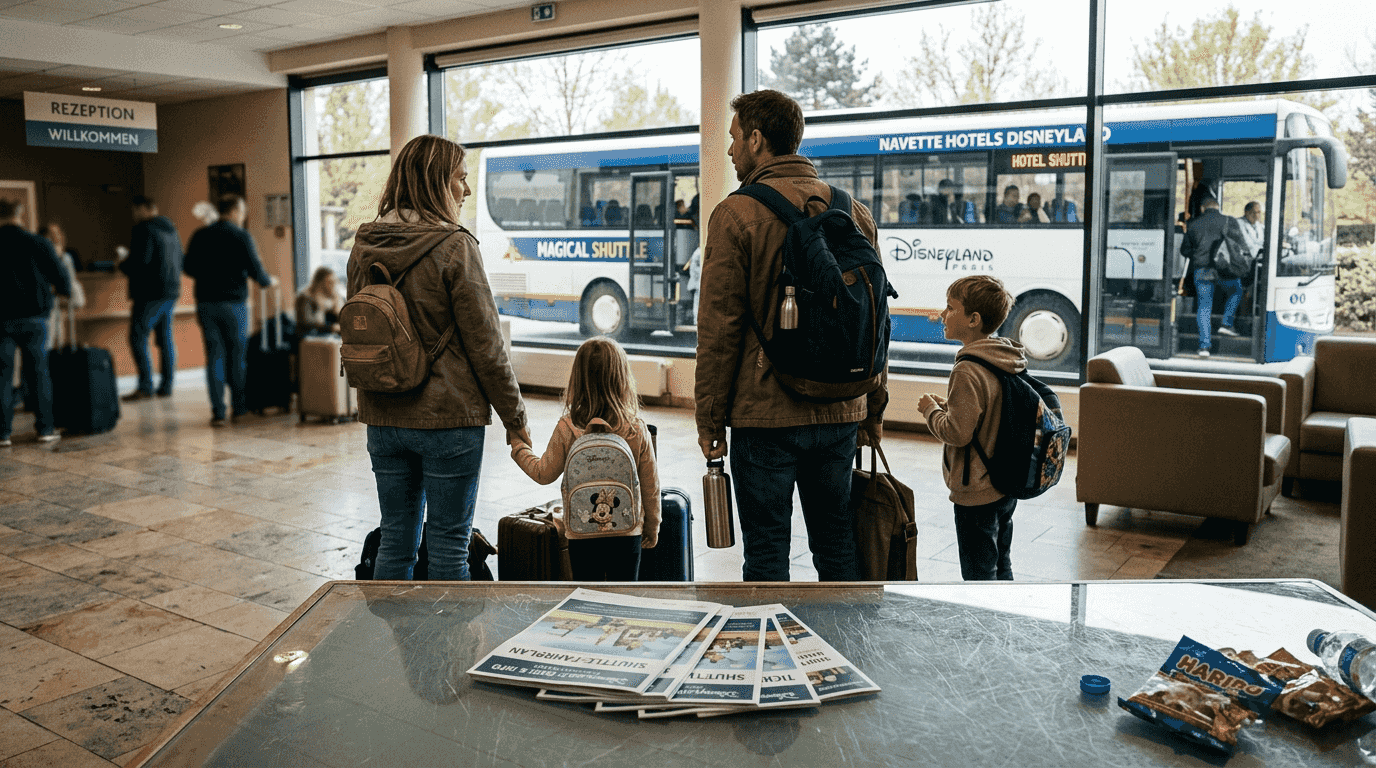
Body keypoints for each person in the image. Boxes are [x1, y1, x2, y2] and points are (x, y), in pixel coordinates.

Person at [695, 89, 886, 582]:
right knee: (836, 543)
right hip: (842, 407)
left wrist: (710, 420)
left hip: (765, 416)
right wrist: (872, 409)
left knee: (766, 554)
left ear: (757, 140)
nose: (731, 150)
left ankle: (770, 634)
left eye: (735, 138)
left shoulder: (735, 215)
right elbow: (873, 320)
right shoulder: (854, 212)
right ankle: (842, 631)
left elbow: (719, 331)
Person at [347, 134, 528, 581]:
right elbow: (487, 346)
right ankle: (446, 633)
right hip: (448, 417)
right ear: (435, 182)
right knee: (449, 547)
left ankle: (396, 629)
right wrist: (515, 418)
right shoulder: (455, 246)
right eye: (459, 179)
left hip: (383, 415)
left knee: (395, 540)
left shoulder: (365, 244)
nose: (466, 190)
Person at [509, 336, 659, 581]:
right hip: (627, 532)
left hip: (581, 533)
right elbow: (651, 486)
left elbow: (542, 473)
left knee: (585, 594)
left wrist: (519, 446)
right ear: (622, 379)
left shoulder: (568, 427)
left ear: (577, 380)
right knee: (624, 594)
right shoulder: (635, 428)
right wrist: (652, 525)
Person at [917, 275, 1026, 581]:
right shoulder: (1004, 357)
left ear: (973, 320)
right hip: (1005, 481)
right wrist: (949, 406)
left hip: (976, 491)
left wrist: (929, 411)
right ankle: (1004, 606)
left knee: (978, 573)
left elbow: (957, 433)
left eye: (951, 307)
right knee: (1001, 563)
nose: (942, 314)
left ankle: (983, 611)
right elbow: (988, 413)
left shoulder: (967, 369)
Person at [183, 194, 277, 426]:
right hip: (235, 305)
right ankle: (239, 409)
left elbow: (188, 267)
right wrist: (268, 281)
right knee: (237, 357)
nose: (243, 216)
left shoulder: (201, 235)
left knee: (214, 357)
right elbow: (257, 271)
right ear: (234, 211)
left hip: (206, 303)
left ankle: (218, 413)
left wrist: (208, 274)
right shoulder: (241, 236)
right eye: (242, 212)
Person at [0, 199, 72, 446]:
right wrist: (60, 292)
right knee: (39, 374)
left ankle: (2, 434)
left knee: (2, 376)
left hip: (1, 320)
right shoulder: (38, 242)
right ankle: (45, 429)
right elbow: (62, 278)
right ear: (20, 214)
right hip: (35, 317)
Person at [120, 195, 183, 400]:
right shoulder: (171, 229)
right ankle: (167, 385)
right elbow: (180, 258)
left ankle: (145, 386)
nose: (133, 215)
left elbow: (141, 262)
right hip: (171, 291)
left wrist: (122, 264)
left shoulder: (144, 229)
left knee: (137, 337)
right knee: (165, 340)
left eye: (134, 210)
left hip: (149, 293)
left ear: (143, 209)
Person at [1179, 196, 1247, 357]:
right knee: (1236, 291)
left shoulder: (1193, 224)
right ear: (1218, 207)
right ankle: (1226, 323)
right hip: (1225, 270)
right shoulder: (1229, 221)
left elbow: (1184, 250)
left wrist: (1198, 255)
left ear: (1202, 208)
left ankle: (1204, 347)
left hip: (1202, 270)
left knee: (1204, 307)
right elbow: (1240, 246)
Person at [296, 266, 344, 337]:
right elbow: (308, 324)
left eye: (335, 282)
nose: (333, 285)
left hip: (325, 336)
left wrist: (337, 309)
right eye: (330, 282)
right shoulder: (305, 298)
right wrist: (331, 328)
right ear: (320, 283)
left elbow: (340, 323)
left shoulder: (332, 299)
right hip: (308, 336)